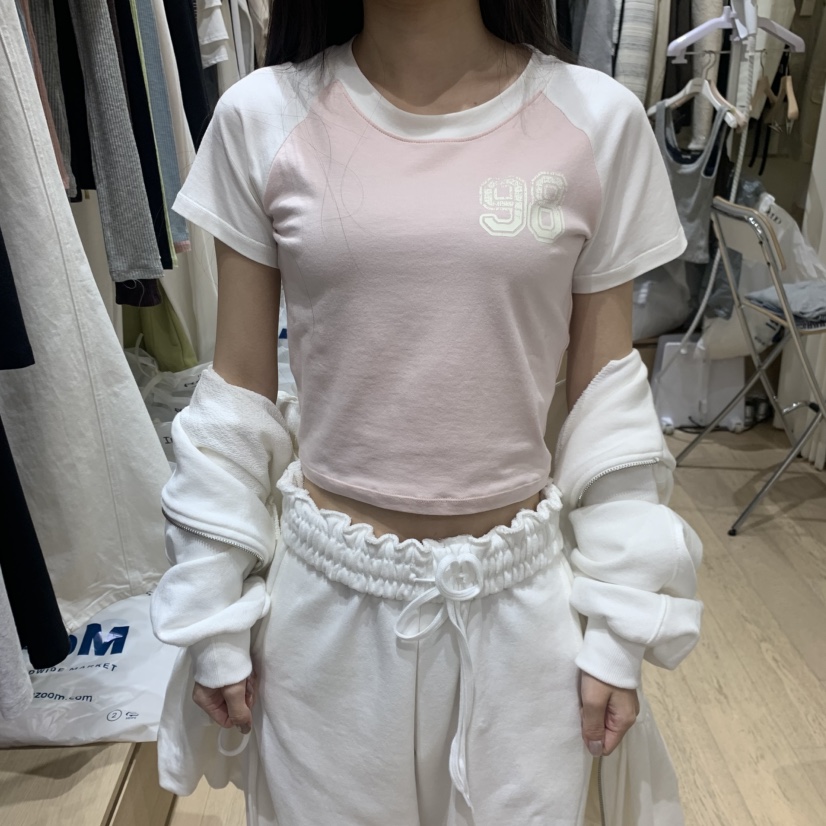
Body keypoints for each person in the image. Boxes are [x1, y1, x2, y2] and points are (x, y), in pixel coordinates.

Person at [150, 1, 704, 824]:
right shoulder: (261, 115)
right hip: (323, 624)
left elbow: (605, 399)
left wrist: (620, 623)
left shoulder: (597, 120)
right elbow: (238, 390)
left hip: (523, 625)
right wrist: (212, 601)